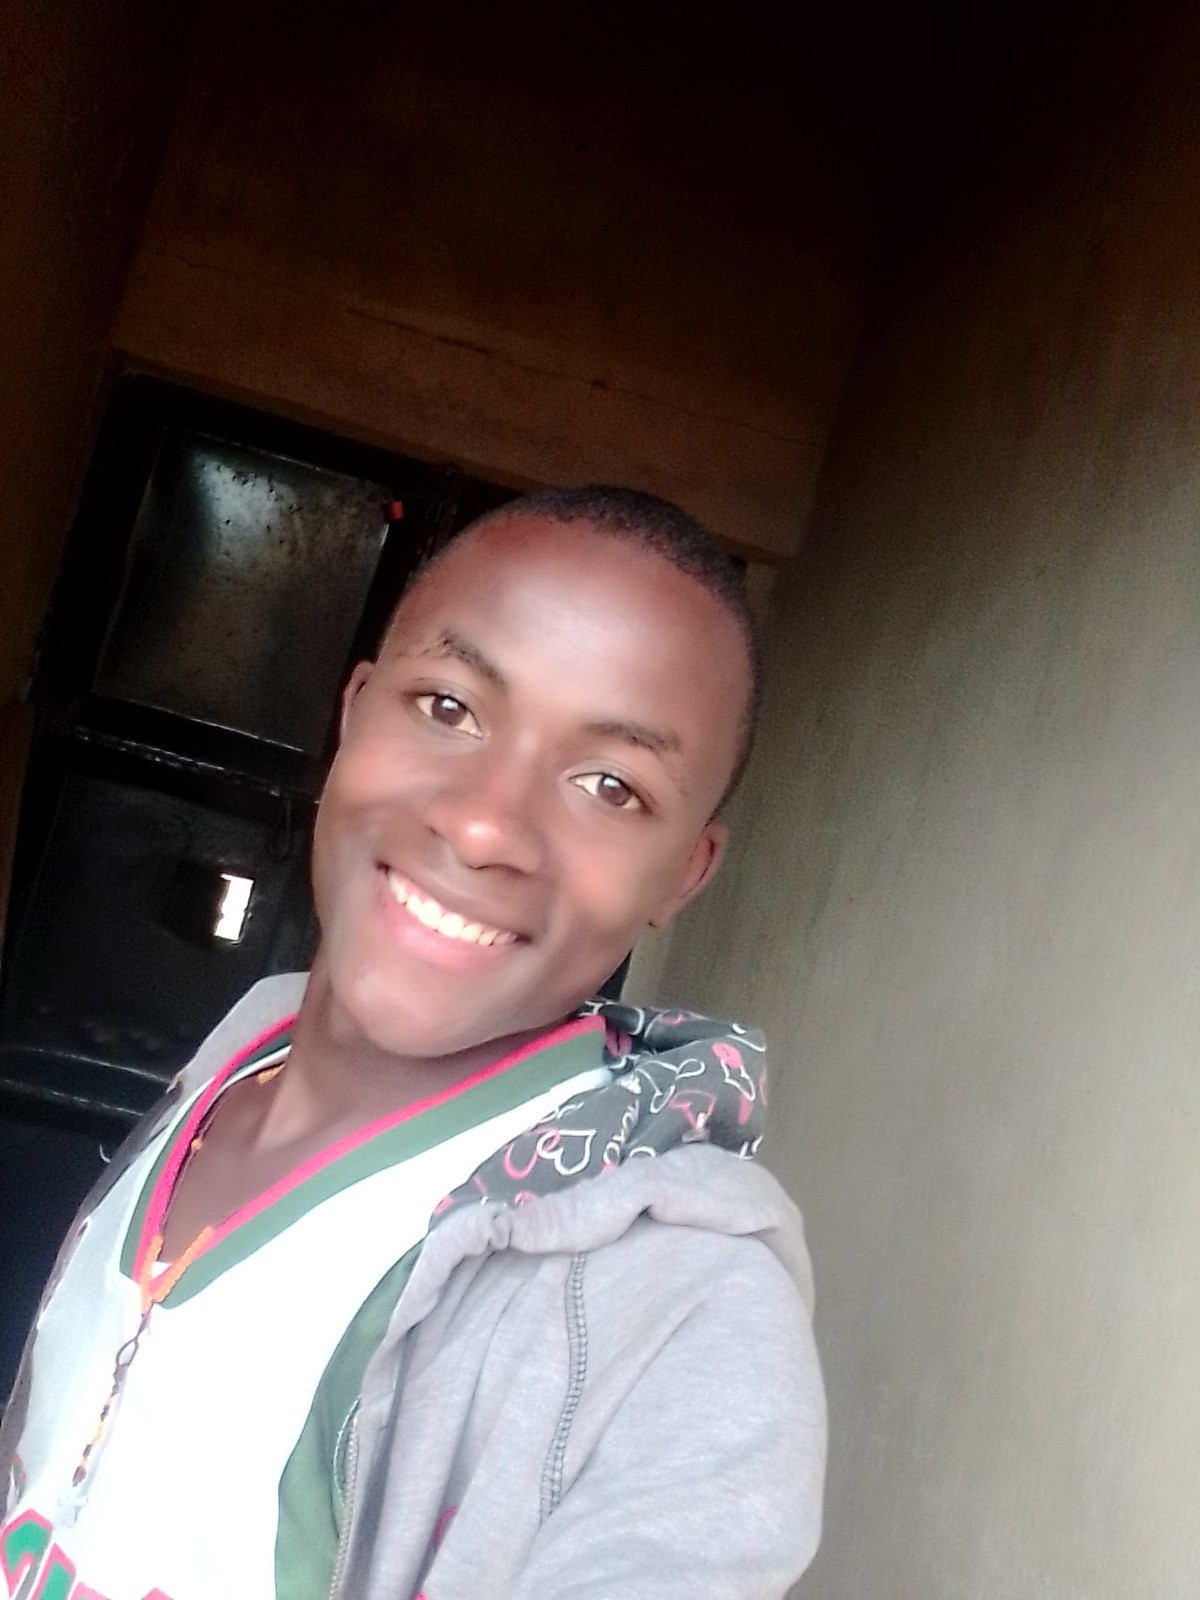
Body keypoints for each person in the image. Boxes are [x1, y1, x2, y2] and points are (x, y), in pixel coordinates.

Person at [0, 485, 826, 1599]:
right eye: (448, 706)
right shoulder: (236, 1061)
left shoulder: (674, 1320)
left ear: (684, 872)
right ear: (354, 712)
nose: (483, 824)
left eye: (611, 786)